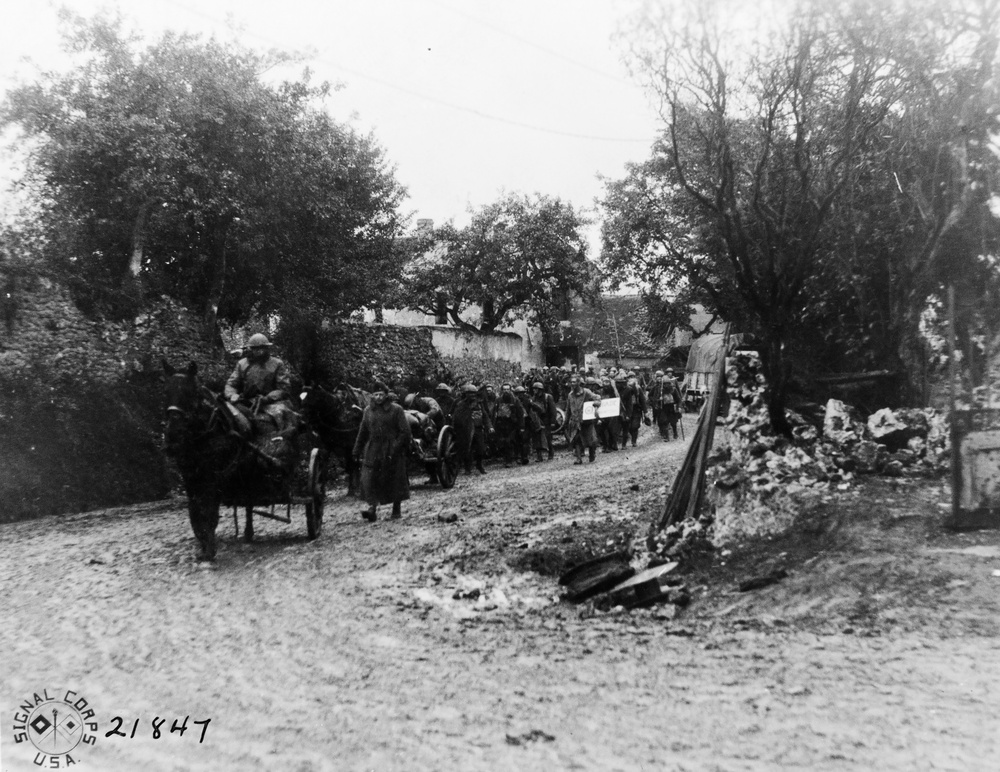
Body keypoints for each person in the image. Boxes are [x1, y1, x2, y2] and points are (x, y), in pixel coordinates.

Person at [352, 381, 412, 522]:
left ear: (386, 395)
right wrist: (356, 450)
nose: (378, 397)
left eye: (381, 395)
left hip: (391, 448)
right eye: (376, 394)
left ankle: (396, 509)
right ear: (372, 395)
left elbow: (405, 432)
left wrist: (395, 447)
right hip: (373, 448)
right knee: (370, 478)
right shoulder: (368, 411)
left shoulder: (396, 409)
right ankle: (372, 508)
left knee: (394, 478)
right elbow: (362, 432)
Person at [224, 333, 295, 434]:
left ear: (267, 348)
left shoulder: (277, 363)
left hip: (271, 402)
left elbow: (284, 388)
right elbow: (231, 384)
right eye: (255, 348)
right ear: (250, 349)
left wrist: (268, 398)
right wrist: (232, 395)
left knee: (281, 417)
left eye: (262, 348)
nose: (259, 351)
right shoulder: (242, 364)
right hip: (246, 402)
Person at [452, 382, 493, 474]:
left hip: (478, 429)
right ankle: (467, 468)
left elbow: (485, 416)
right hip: (466, 431)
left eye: (474, 393)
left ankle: (479, 465)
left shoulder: (479, 404)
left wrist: (489, 426)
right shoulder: (461, 404)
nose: (472, 395)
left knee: (481, 449)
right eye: (470, 393)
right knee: (467, 449)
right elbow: (457, 418)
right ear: (466, 394)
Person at [565, 374, 602, 464]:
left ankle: (592, 453)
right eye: (571, 382)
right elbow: (568, 409)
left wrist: (596, 403)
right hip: (575, 421)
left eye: (574, 382)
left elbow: (597, 398)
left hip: (586, 420)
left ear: (578, 383)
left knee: (591, 440)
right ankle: (578, 458)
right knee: (576, 439)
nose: (572, 384)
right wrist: (566, 421)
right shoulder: (570, 395)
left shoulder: (586, 392)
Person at [531, 381, 559, 460]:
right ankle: (539, 456)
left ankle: (551, 452)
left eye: (535, 389)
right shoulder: (533, 398)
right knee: (537, 438)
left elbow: (553, 410)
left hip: (547, 420)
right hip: (537, 420)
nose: (534, 390)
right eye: (534, 389)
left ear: (540, 389)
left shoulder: (548, 397)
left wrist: (553, 421)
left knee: (547, 437)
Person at [620, 376, 650, 447]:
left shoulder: (638, 389)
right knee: (628, 426)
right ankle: (627, 441)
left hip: (636, 410)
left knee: (635, 426)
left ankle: (634, 441)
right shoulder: (625, 390)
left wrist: (645, 412)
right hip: (627, 410)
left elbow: (642, 401)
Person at [655, 369, 683, 441]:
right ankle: (667, 437)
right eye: (665, 384)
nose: (666, 385)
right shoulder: (660, 390)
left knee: (673, 422)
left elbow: (679, 399)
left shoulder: (673, 390)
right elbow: (656, 399)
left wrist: (679, 407)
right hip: (664, 408)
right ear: (662, 384)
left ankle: (675, 432)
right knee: (665, 421)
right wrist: (659, 400)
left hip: (672, 408)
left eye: (668, 384)